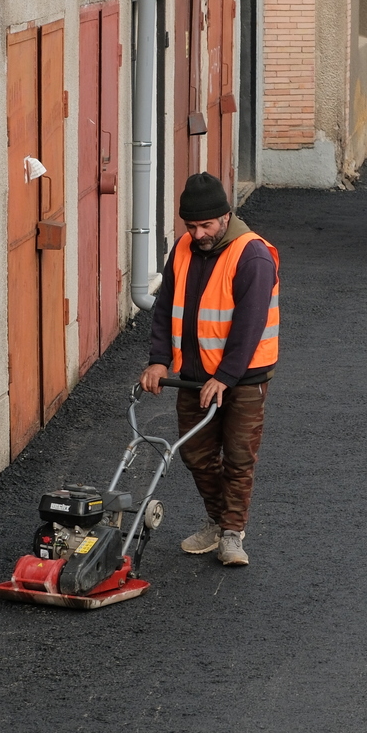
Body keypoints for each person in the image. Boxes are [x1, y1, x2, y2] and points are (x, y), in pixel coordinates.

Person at [141, 172, 280, 568]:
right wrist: (158, 360)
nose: (198, 233)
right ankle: (218, 522)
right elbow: (165, 309)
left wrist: (226, 377)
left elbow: (249, 325)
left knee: (238, 458)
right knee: (197, 455)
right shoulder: (183, 249)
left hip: (244, 377)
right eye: (190, 225)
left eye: (205, 225)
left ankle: (232, 534)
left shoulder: (251, 255)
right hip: (193, 373)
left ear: (225, 216)